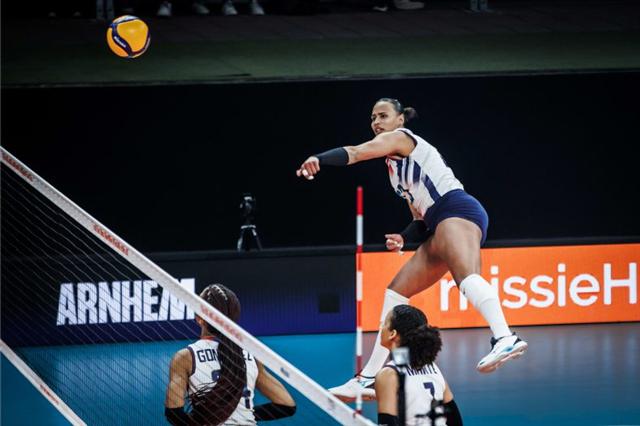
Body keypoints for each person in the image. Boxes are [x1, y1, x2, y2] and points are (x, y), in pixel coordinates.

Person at [296, 97, 528, 401]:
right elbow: (420, 219)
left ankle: (505, 337)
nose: (376, 122)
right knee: (395, 293)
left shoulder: (401, 140)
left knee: (466, 278)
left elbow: (356, 152)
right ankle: (367, 378)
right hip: (438, 220)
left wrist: (319, 158)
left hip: (458, 209)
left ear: (399, 121)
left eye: (383, 116)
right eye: (372, 118)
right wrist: (404, 238)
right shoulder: (395, 172)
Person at [165, 283, 296, 425]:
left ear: (199, 317)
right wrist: (244, 415)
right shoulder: (251, 355)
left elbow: (174, 414)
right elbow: (286, 405)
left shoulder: (186, 357)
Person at [376, 304, 462, 426]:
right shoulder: (432, 367)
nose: (381, 327)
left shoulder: (388, 374)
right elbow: (454, 418)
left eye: (384, 323)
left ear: (392, 334)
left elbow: (387, 422)